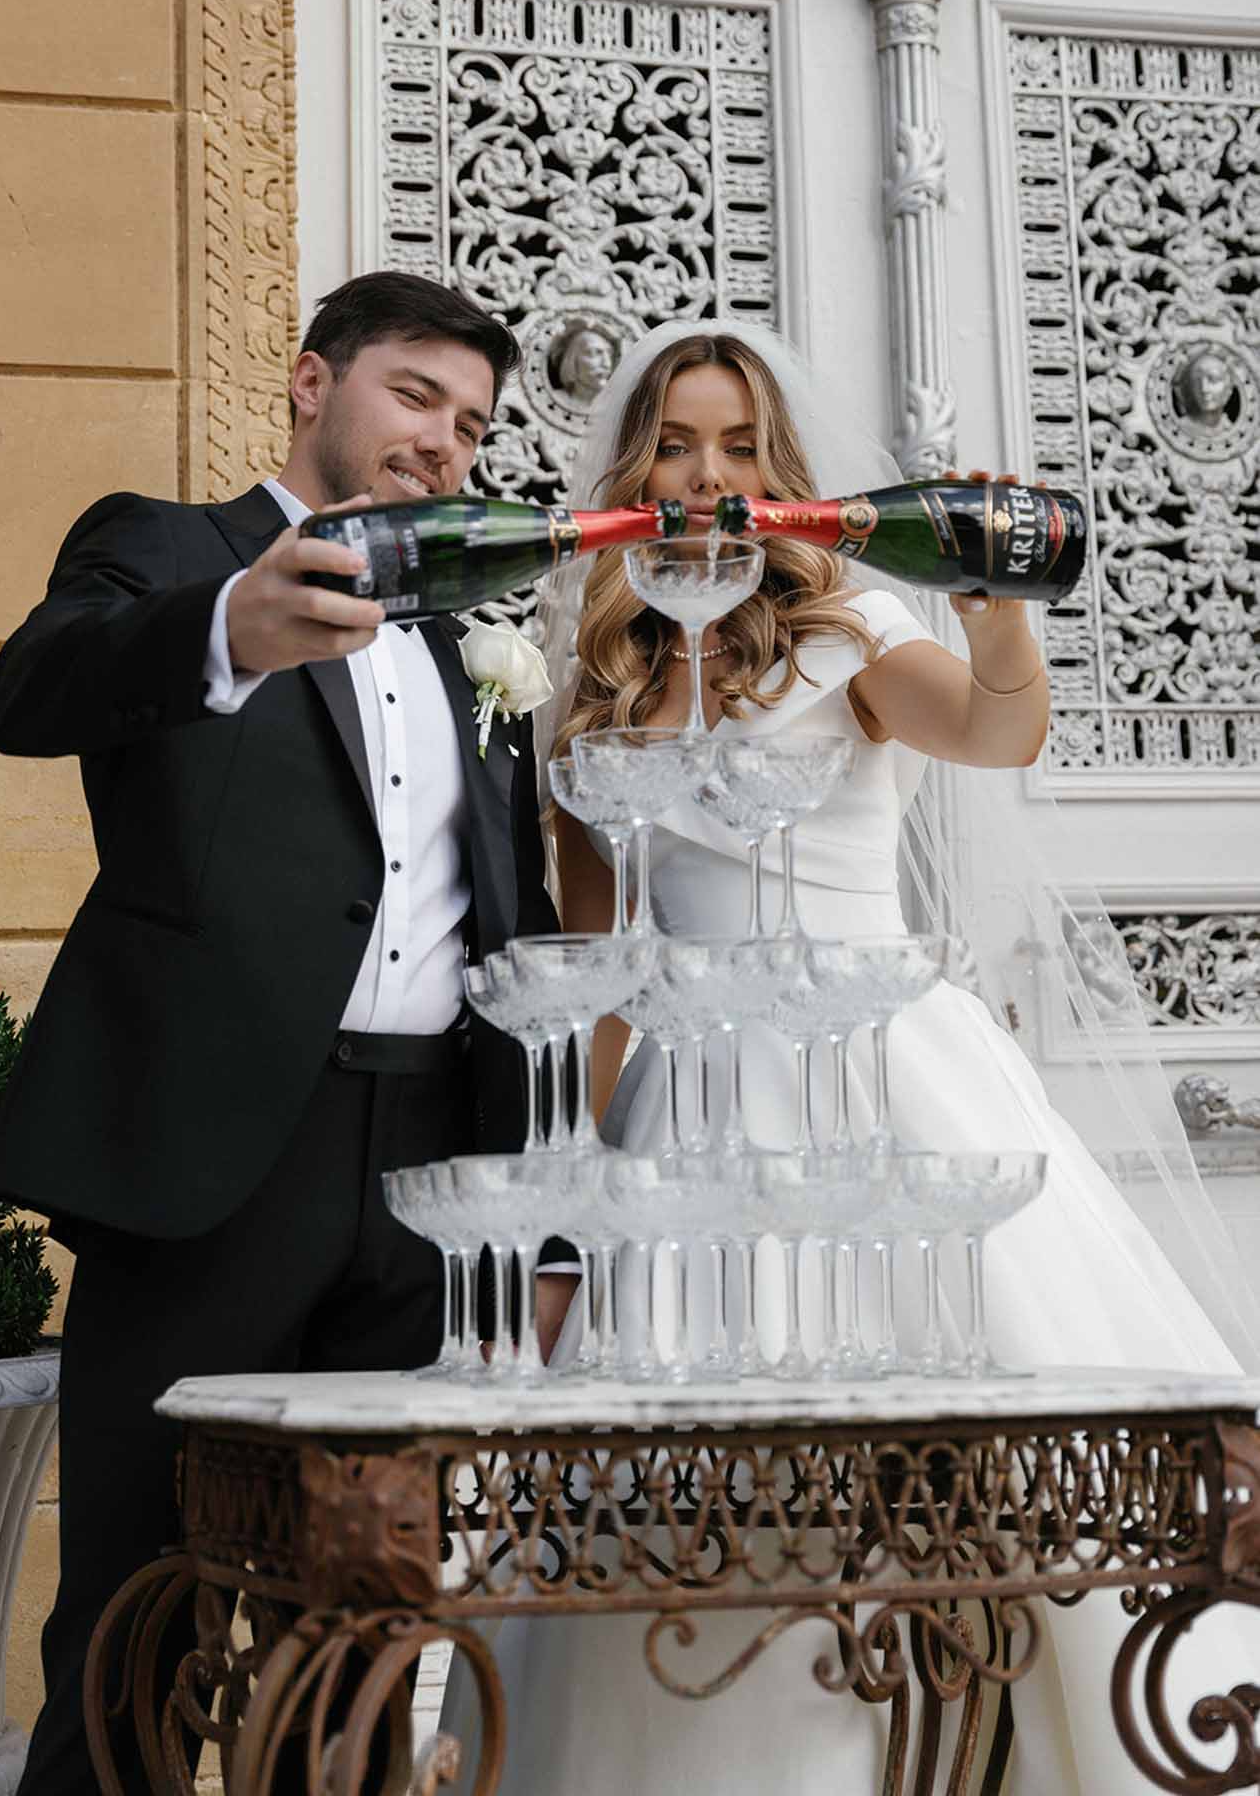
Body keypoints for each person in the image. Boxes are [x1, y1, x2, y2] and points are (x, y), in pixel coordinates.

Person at [444, 319, 1260, 1795]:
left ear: (783, 470)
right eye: (677, 445)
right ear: (636, 468)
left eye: (740, 447)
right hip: (682, 1118)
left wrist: (994, 606)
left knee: (967, 1448)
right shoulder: (589, 686)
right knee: (685, 1485)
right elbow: (599, 966)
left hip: (880, 1083)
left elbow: (1000, 736)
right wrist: (574, 1209)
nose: (707, 474)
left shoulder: (856, 632)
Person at [0, 271, 565, 1794]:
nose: (444, 444)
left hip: (428, 1174)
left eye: (473, 424)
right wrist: (229, 630)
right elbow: (29, 693)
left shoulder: (469, 627)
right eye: (415, 397)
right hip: (212, 1155)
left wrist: (542, 1211)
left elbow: (512, 918)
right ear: (313, 384)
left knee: (364, 1632)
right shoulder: (170, 549)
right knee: (136, 1617)